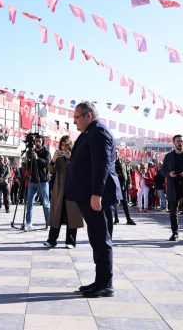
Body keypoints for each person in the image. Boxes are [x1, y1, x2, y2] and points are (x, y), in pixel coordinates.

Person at [65, 102, 121, 298]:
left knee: (102, 239)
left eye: (76, 117)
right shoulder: (90, 132)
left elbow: (101, 165)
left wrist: (97, 193)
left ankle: (106, 284)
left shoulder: (98, 132)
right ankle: (100, 281)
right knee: (96, 239)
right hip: (90, 195)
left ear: (88, 115)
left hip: (99, 197)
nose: (74, 122)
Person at [44, 135, 85, 248]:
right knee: (56, 215)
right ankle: (52, 240)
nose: (64, 147)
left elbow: (81, 170)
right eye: (62, 145)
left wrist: (72, 159)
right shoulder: (58, 157)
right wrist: (53, 159)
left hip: (72, 190)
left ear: (70, 145)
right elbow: (51, 170)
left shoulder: (76, 156)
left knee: (72, 216)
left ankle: (71, 241)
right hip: (59, 189)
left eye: (66, 145)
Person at [24, 134, 52, 230]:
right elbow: (27, 168)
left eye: (39, 141)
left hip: (43, 181)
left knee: (46, 203)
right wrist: (26, 162)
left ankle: (48, 223)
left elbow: (47, 164)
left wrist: (37, 158)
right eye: (36, 141)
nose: (38, 143)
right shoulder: (30, 152)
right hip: (33, 181)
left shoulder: (46, 152)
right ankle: (28, 222)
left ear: (42, 142)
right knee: (29, 202)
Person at [114, 149, 136, 224]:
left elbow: (128, 172)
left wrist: (129, 182)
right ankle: (116, 219)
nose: (116, 154)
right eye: (114, 152)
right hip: (114, 183)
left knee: (125, 201)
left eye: (117, 152)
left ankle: (128, 219)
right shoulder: (110, 161)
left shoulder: (122, 161)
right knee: (115, 202)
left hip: (122, 183)